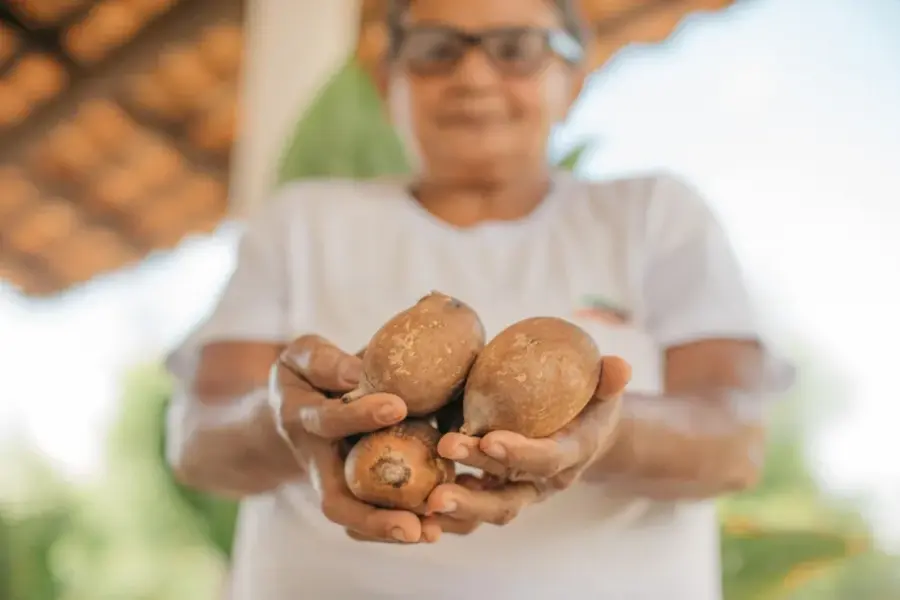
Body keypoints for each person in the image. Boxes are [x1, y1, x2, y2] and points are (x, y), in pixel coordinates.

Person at [165, 0, 790, 598]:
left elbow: (738, 441)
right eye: (437, 49)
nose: (473, 74)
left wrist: (599, 435)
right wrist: (287, 422)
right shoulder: (300, 222)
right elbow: (195, 441)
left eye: (516, 49)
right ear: (390, 80)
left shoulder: (655, 215)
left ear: (572, 77)